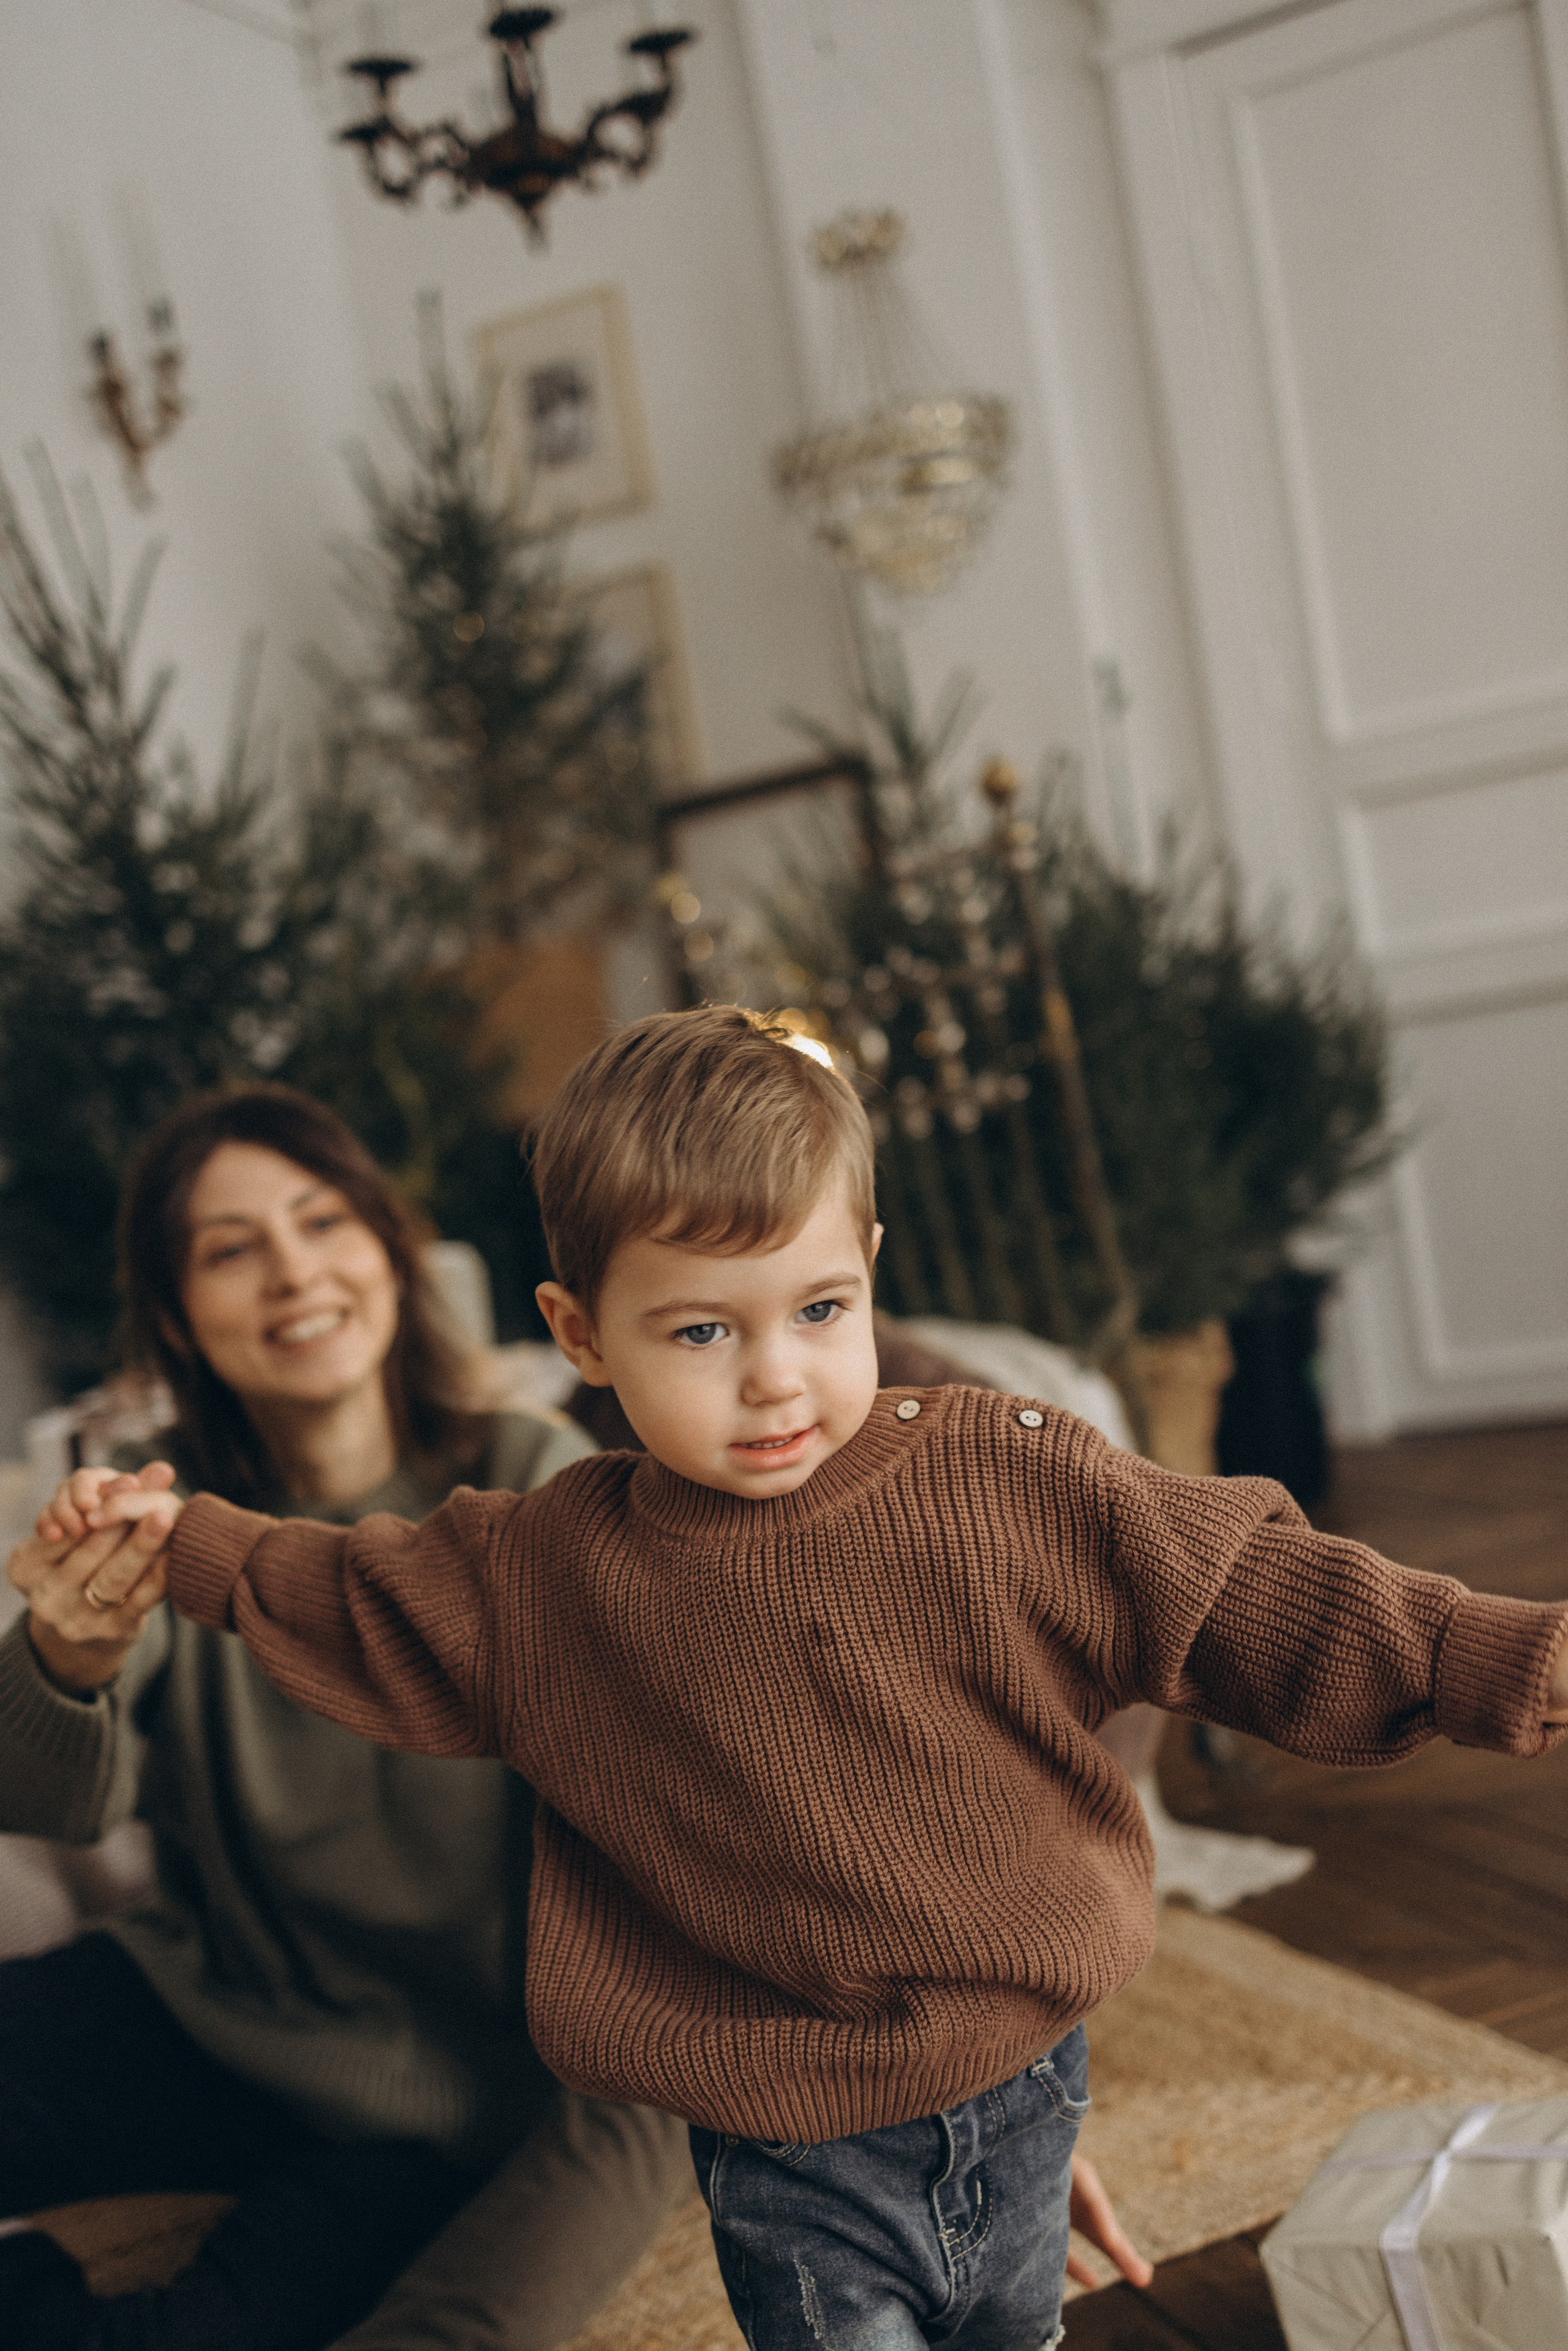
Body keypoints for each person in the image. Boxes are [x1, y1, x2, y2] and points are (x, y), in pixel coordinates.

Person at [46, 1002, 1540, 2351]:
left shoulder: (999, 1472)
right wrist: (180, 1540)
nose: (773, 1375)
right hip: (783, 2146)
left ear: (868, 1268)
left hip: (1026, 2085)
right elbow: (343, 1585)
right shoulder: (543, 1562)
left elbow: (1243, 1586)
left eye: (818, 1310)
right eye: (702, 1329)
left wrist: (1503, 1653)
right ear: (578, 1335)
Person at [0, 1084, 695, 2351]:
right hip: (211, 2004)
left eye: (323, 1221)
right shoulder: (163, 1507)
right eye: (231, 1248)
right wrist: (64, 1655)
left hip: (448, 2102)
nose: (293, 1273)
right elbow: (45, 1803)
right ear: (176, 1315)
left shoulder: (538, 1484)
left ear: (389, 1249)